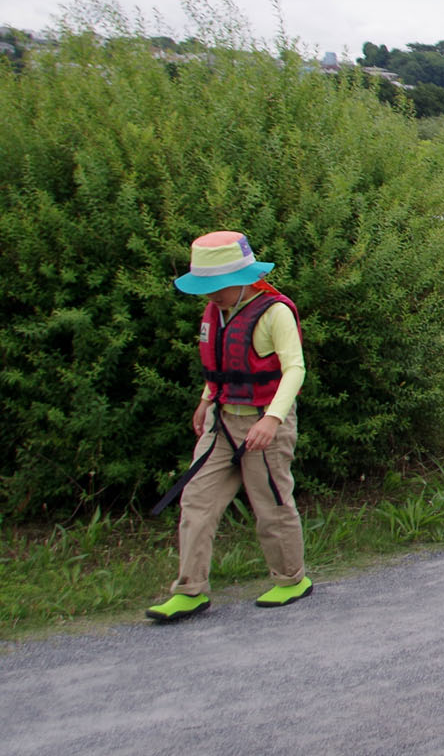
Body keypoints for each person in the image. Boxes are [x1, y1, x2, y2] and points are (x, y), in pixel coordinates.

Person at [147, 232, 310, 622]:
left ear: (243, 277)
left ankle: (291, 579)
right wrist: (206, 400)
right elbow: (224, 363)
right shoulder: (217, 312)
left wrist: (272, 419)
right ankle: (190, 590)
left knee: (270, 504)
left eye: (217, 287)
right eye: (205, 288)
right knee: (196, 502)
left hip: (264, 421)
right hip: (222, 421)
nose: (210, 296)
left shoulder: (275, 312)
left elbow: (295, 369)